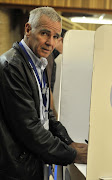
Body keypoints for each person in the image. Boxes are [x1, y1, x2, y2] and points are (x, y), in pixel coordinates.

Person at [0, 7, 88, 180]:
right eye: (45, 34)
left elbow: (46, 113)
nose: (50, 42)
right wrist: (72, 155)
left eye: (55, 36)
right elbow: (30, 128)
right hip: (16, 169)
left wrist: (68, 142)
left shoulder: (42, 62)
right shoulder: (12, 67)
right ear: (28, 29)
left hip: (32, 160)